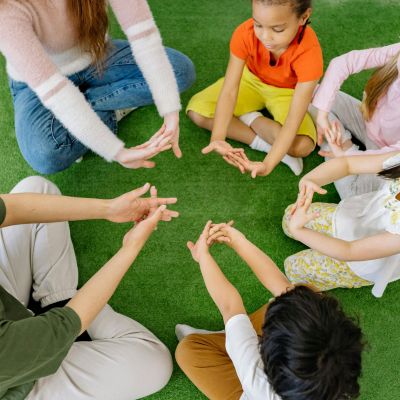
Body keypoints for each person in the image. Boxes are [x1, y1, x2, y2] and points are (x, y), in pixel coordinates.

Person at [0, 176, 179, 399]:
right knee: (155, 364)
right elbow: (63, 325)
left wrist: (110, 208)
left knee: (38, 188)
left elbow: (12, 208)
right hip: (18, 379)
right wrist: (131, 247)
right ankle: (63, 303)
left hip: (10, 313)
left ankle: (59, 299)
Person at [0, 0, 195, 174]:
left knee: (180, 72)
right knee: (45, 154)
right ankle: (109, 108)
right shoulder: (6, 10)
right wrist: (116, 152)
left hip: (97, 57)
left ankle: (85, 120)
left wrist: (170, 111)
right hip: (39, 85)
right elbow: (56, 92)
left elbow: (144, 38)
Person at [175, 221, 363, 400]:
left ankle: (230, 336)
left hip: (247, 387)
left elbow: (229, 305)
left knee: (188, 351)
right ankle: (234, 334)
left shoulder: (256, 379)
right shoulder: (334, 373)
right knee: (303, 294)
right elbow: (285, 288)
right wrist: (239, 242)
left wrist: (203, 257)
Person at [187, 0, 323, 178]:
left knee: (302, 146)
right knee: (197, 112)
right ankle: (264, 142)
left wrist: (268, 164)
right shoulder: (245, 32)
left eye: (278, 29)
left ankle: (249, 117)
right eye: (258, 24)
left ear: (303, 17)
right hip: (249, 81)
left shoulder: (309, 54)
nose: (265, 37)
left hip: (287, 92)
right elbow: (230, 90)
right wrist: (218, 138)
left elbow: (292, 121)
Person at [283, 150, 400, 297]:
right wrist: (311, 180)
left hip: (362, 260)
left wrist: (298, 230)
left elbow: (349, 251)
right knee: (289, 217)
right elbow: (347, 164)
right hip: (354, 217)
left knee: (293, 268)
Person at [310, 42, 400, 198]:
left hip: (387, 156)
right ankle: (334, 141)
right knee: (310, 93)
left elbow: (394, 157)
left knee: (351, 195)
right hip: (367, 118)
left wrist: (346, 155)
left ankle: (338, 144)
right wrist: (323, 115)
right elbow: (342, 63)